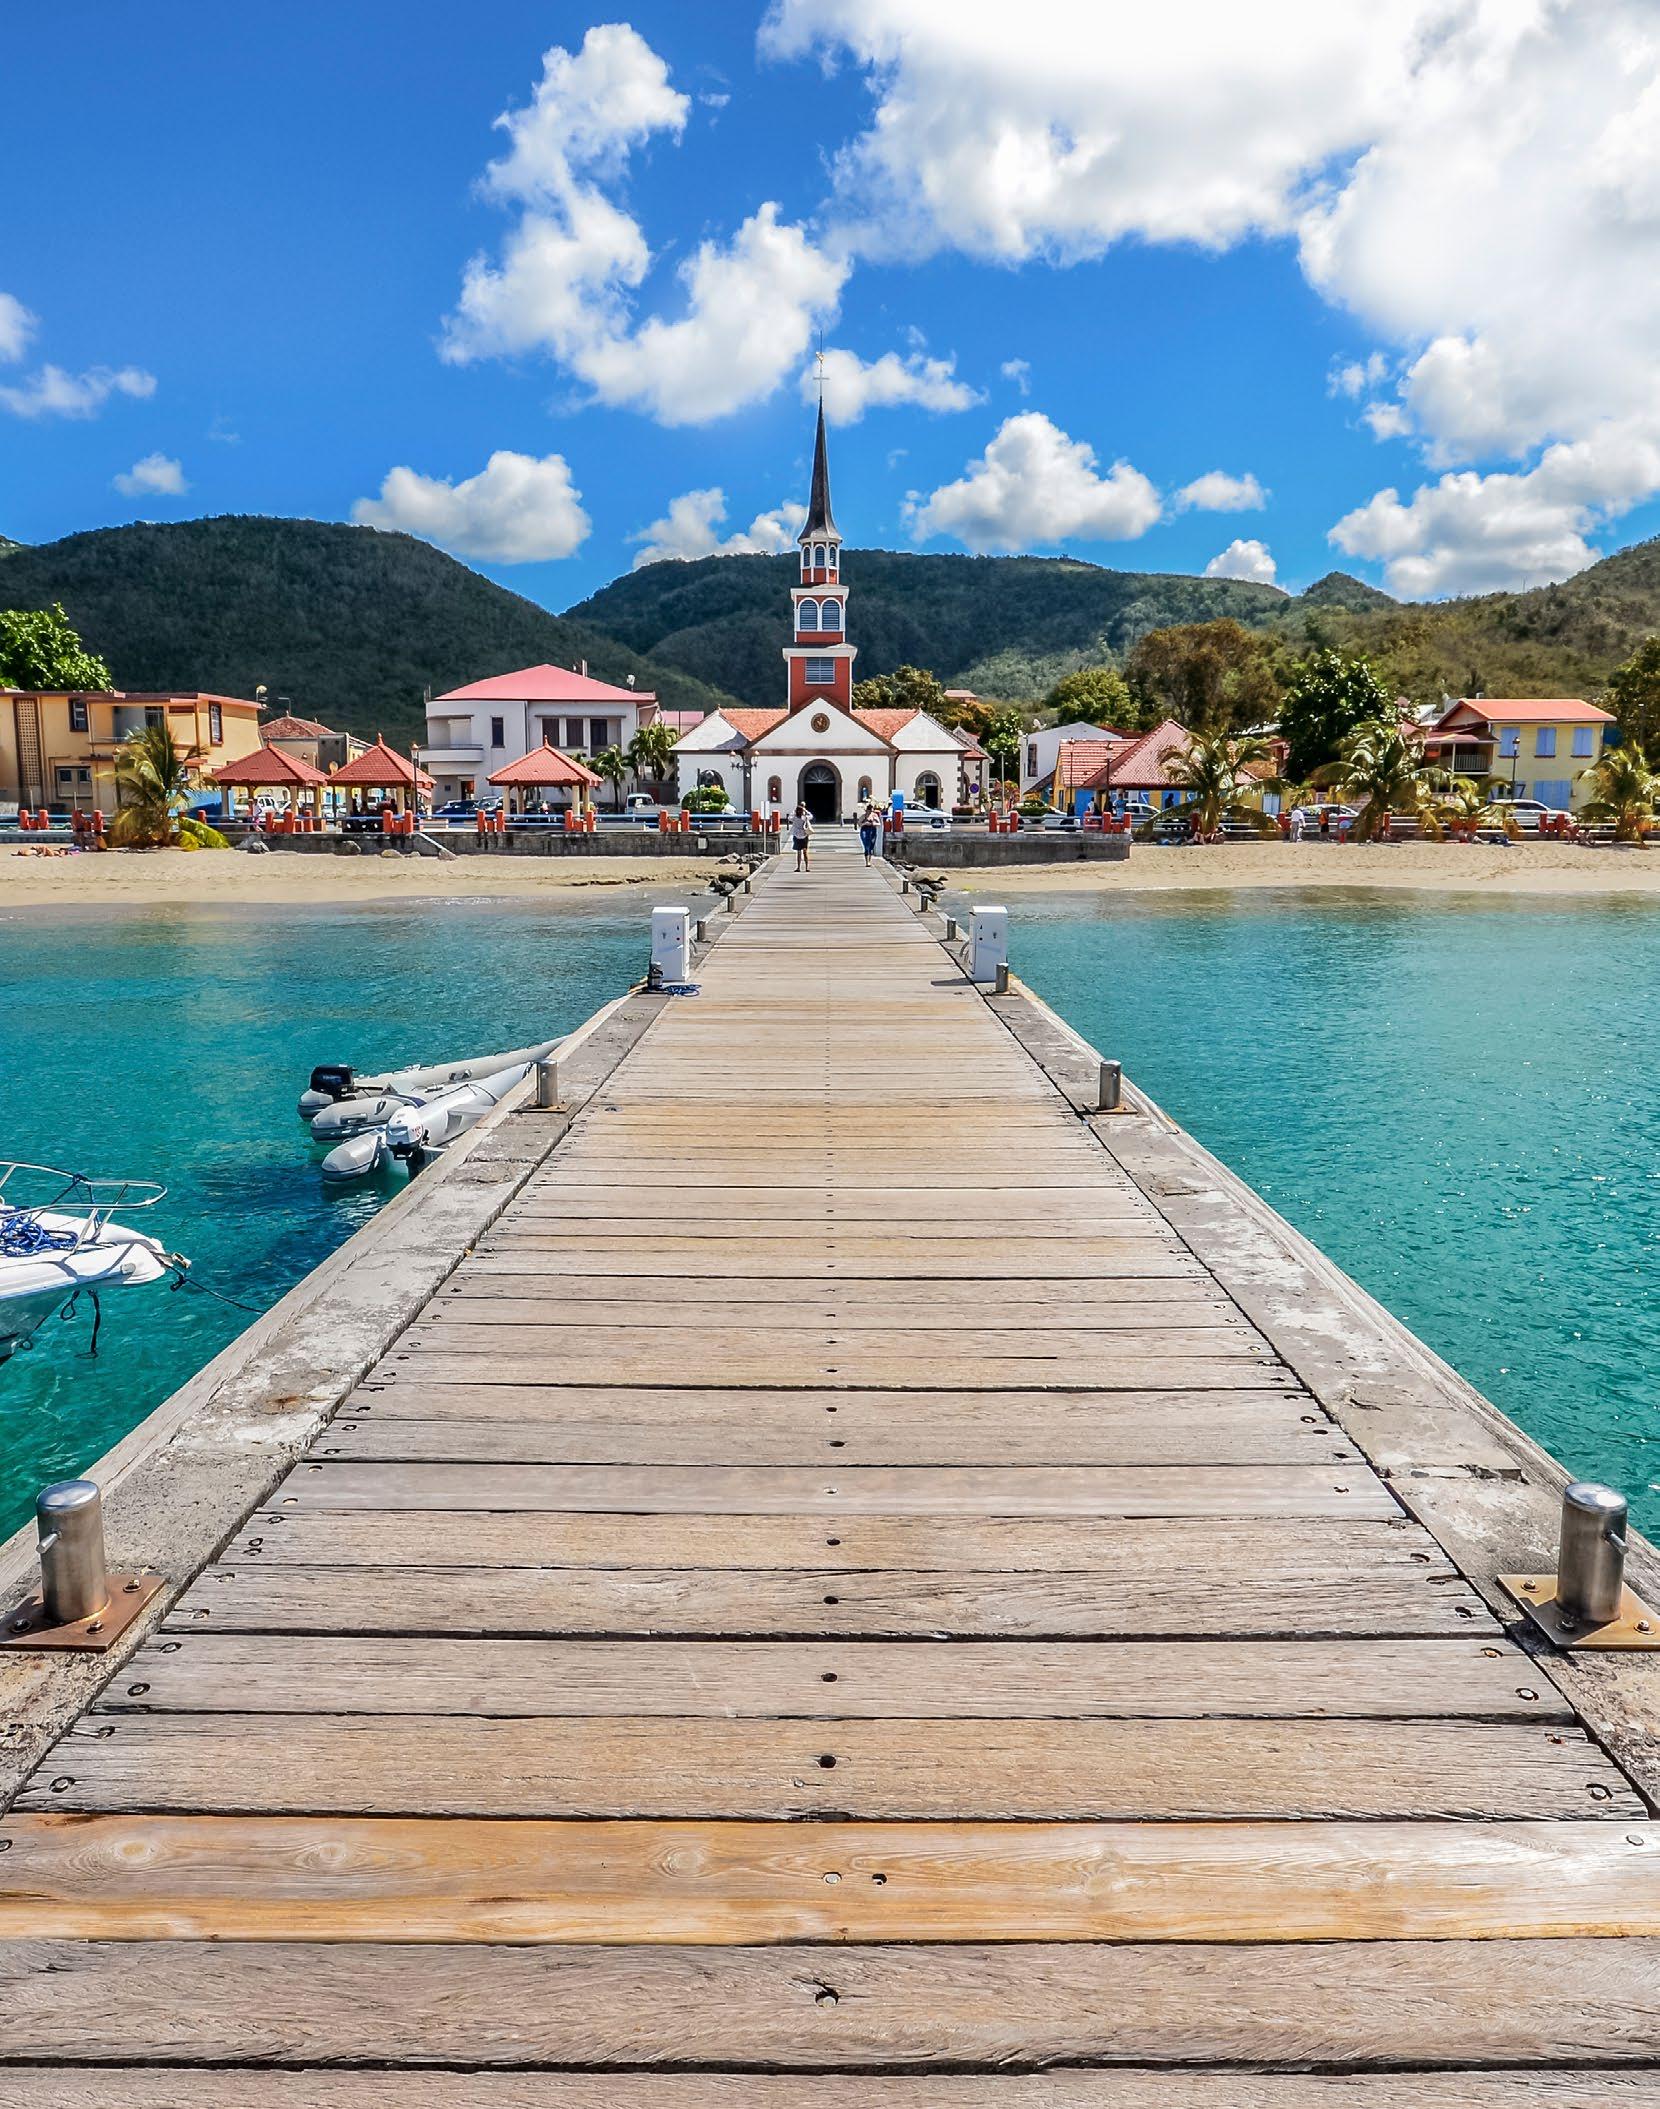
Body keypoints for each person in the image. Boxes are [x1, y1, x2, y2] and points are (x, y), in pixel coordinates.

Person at [791, 802, 812, 872]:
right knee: (805, 852)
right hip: (804, 836)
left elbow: (789, 817)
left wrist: (794, 811)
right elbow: (811, 816)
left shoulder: (794, 818)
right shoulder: (804, 818)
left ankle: (798, 867)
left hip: (796, 837)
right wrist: (805, 810)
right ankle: (807, 867)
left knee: (799, 853)